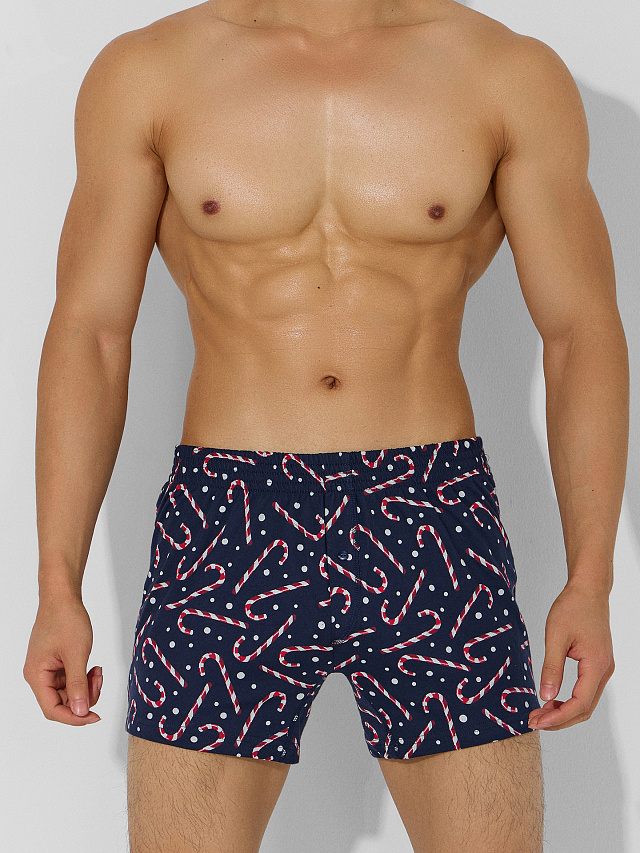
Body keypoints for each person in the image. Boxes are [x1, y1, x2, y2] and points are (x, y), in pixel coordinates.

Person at [23, 1, 628, 851]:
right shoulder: (150, 73)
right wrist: (58, 582)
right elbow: (90, 333)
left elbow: (579, 332)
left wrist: (591, 578)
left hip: (430, 516)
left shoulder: (505, 74)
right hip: (228, 521)